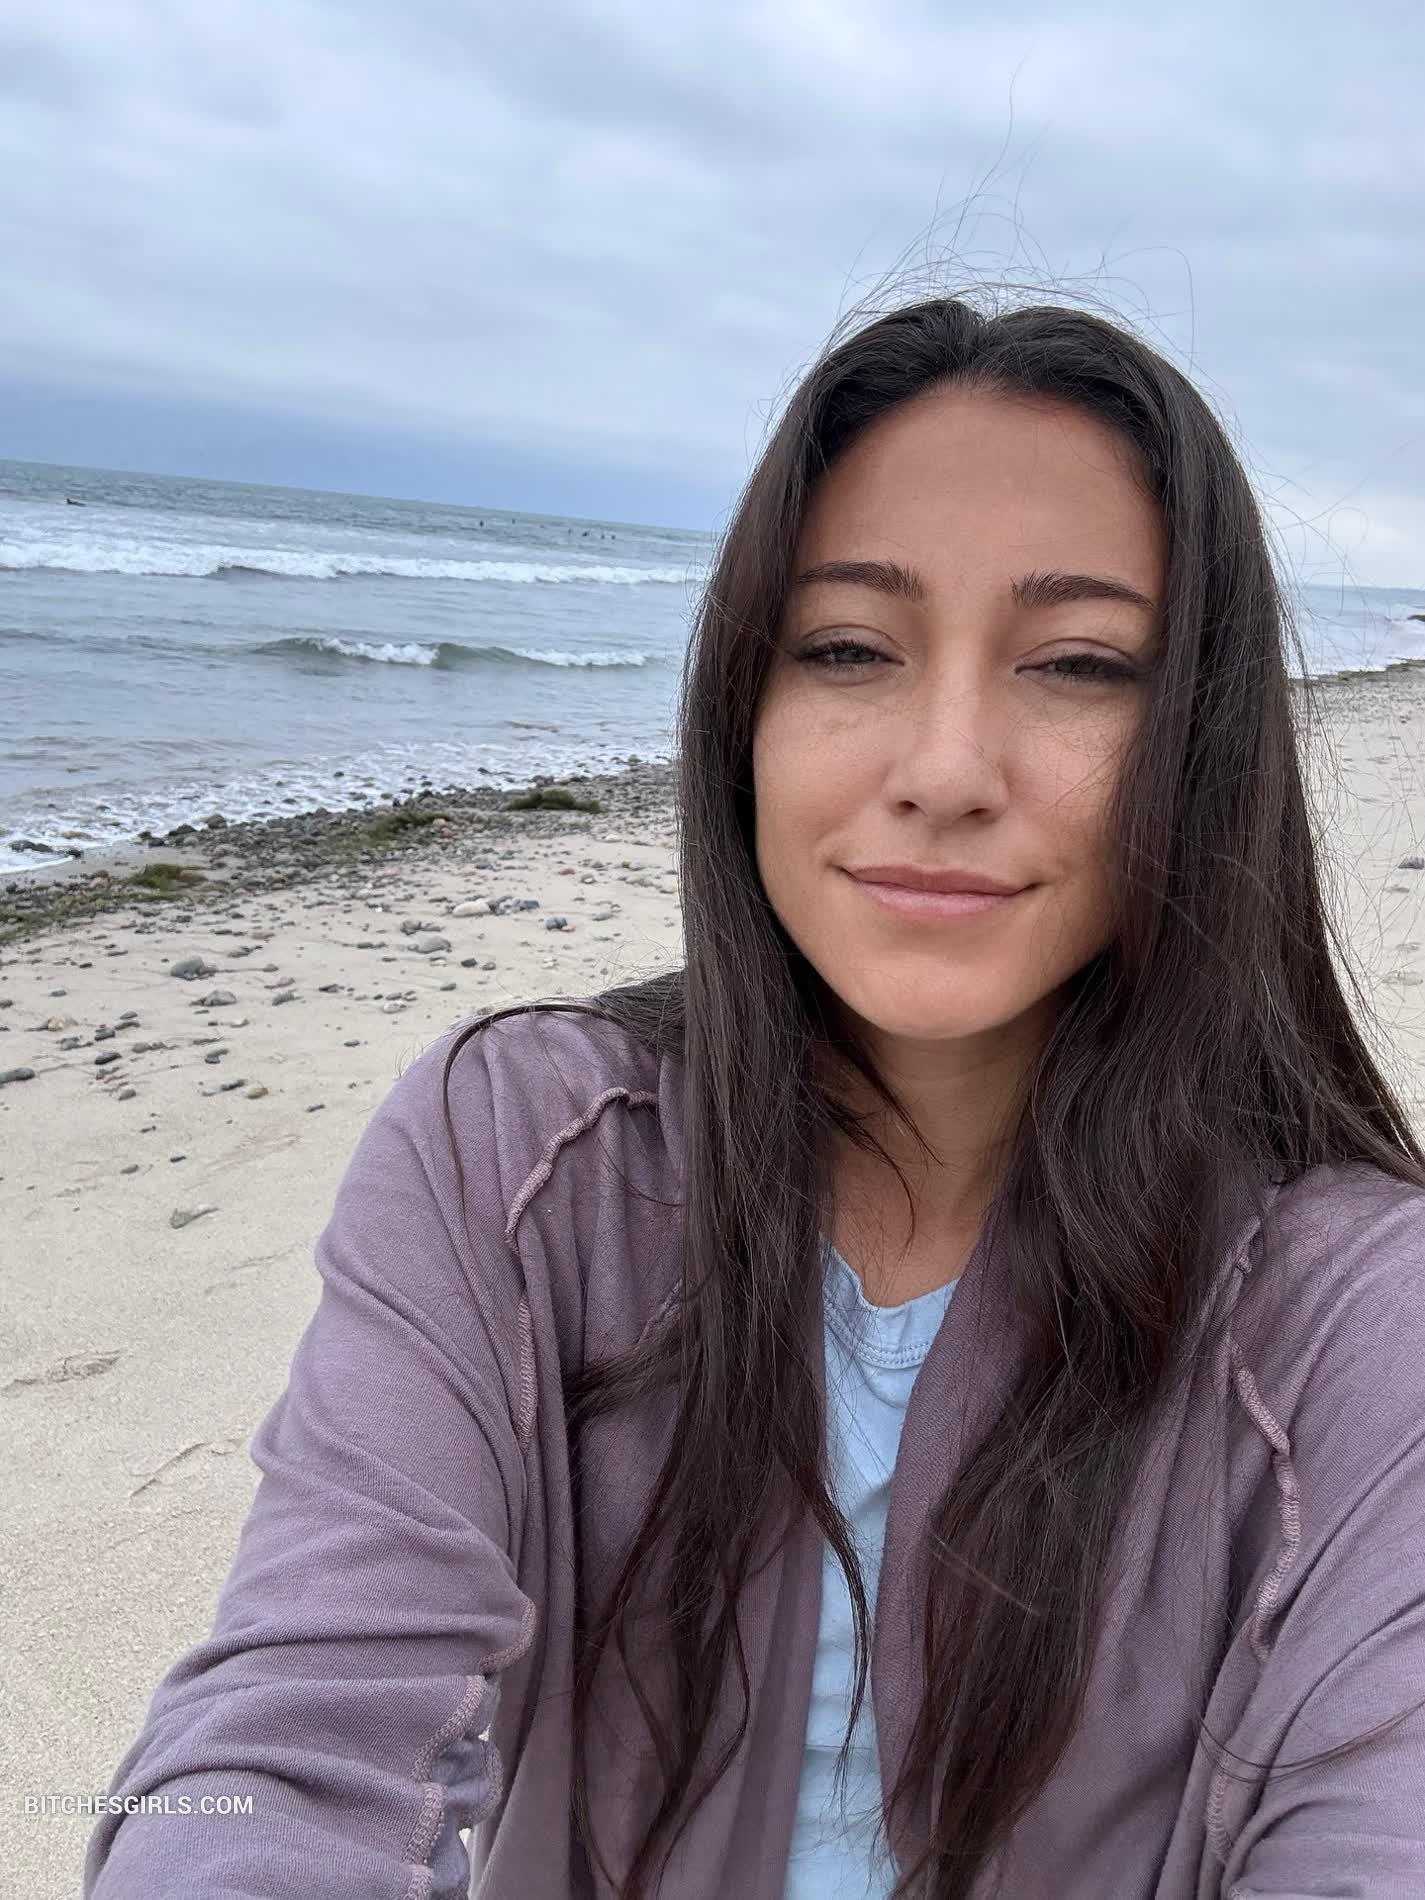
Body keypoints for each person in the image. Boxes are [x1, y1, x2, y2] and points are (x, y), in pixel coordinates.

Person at [84, 293, 1425, 1900]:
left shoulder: (1350, 1310)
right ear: (743, 707)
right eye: (847, 647)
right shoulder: (519, 1155)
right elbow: (288, 1736)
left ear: (1200, 743)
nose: (944, 770)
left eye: (1076, 665)